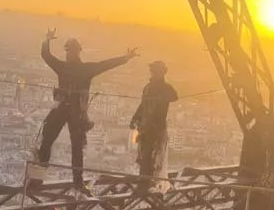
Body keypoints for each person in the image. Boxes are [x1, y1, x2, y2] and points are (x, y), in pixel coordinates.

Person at [34, 29, 138, 190]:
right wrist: (126, 58)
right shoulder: (85, 69)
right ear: (79, 52)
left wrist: (47, 40)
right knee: (76, 147)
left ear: (69, 52)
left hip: (61, 109)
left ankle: (37, 180)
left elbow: (46, 55)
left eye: (69, 51)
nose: (69, 54)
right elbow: (107, 64)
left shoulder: (62, 67)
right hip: (77, 113)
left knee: (47, 142)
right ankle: (77, 182)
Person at [130, 61, 178, 192]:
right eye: (153, 71)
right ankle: (145, 182)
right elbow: (143, 105)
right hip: (146, 126)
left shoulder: (165, 88)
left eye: (155, 71)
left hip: (155, 127)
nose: (154, 73)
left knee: (151, 155)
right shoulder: (148, 87)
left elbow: (174, 97)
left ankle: (146, 182)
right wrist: (135, 118)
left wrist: (160, 98)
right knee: (146, 155)